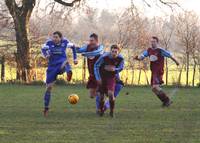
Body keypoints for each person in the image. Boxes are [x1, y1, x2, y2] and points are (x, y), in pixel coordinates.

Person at [134, 36, 179, 107]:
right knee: (153, 89)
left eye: (154, 41)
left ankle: (167, 100)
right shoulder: (149, 50)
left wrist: (176, 61)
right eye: (151, 41)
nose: (152, 43)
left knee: (155, 87)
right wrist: (137, 58)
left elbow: (170, 55)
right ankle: (165, 102)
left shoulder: (160, 50)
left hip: (158, 71)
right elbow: (142, 56)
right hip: (153, 71)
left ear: (157, 42)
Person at [41, 31, 78, 116]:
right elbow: (43, 48)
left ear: (60, 38)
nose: (54, 39)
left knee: (65, 63)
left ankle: (69, 72)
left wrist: (75, 58)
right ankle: (46, 108)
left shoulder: (65, 42)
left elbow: (73, 47)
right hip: (52, 67)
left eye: (56, 37)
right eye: (53, 37)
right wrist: (46, 55)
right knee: (48, 88)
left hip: (61, 63)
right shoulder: (49, 43)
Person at [94, 45, 124, 117]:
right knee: (101, 96)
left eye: (115, 52)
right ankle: (101, 111)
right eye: (112, 51)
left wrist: (115, 69)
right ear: (110, 51)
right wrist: (98, 78)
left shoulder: (121, 58)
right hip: (102, 77)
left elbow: (121, 67)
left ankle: (111, 111)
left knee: (111, 94)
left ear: (118, 52)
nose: (114, 53)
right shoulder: (104, 57)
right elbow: (96, 66)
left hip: (111, 77)